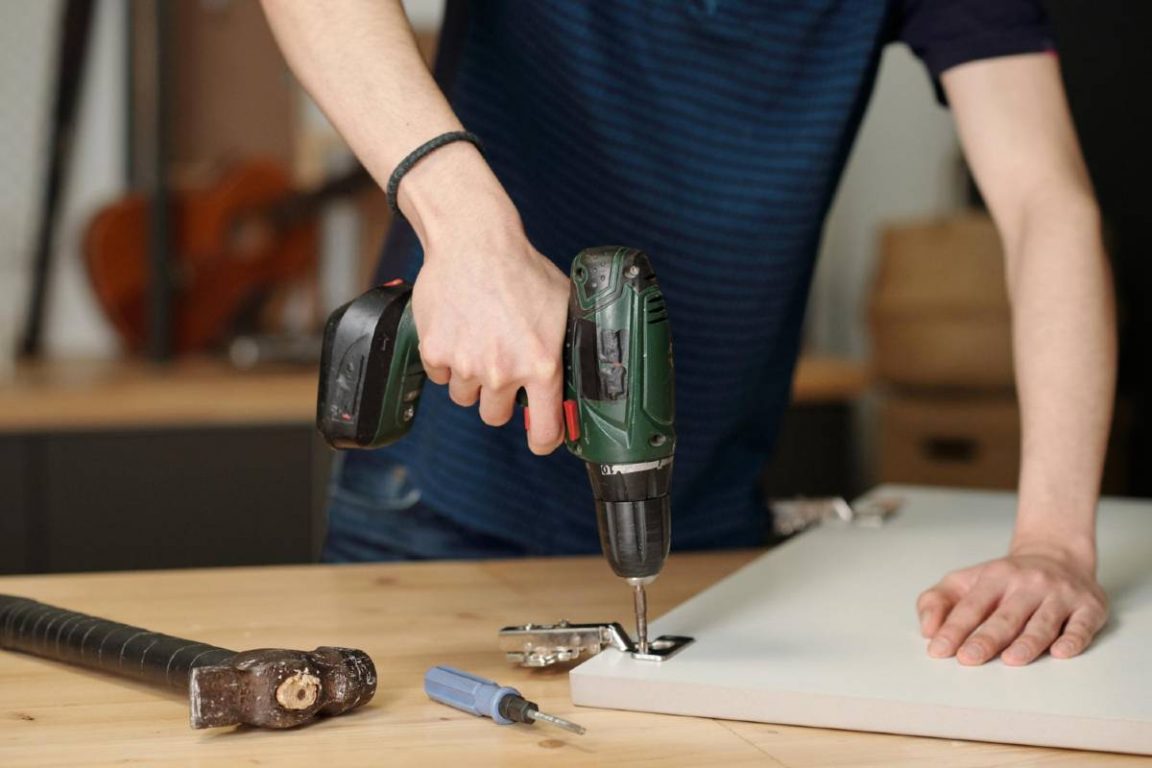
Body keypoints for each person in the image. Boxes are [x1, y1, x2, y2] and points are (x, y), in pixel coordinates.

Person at [262, 1, 1114, 668]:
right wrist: (468, 226)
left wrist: (1054, 541)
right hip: (437, 502)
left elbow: (1048, 205)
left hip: (709, 507)